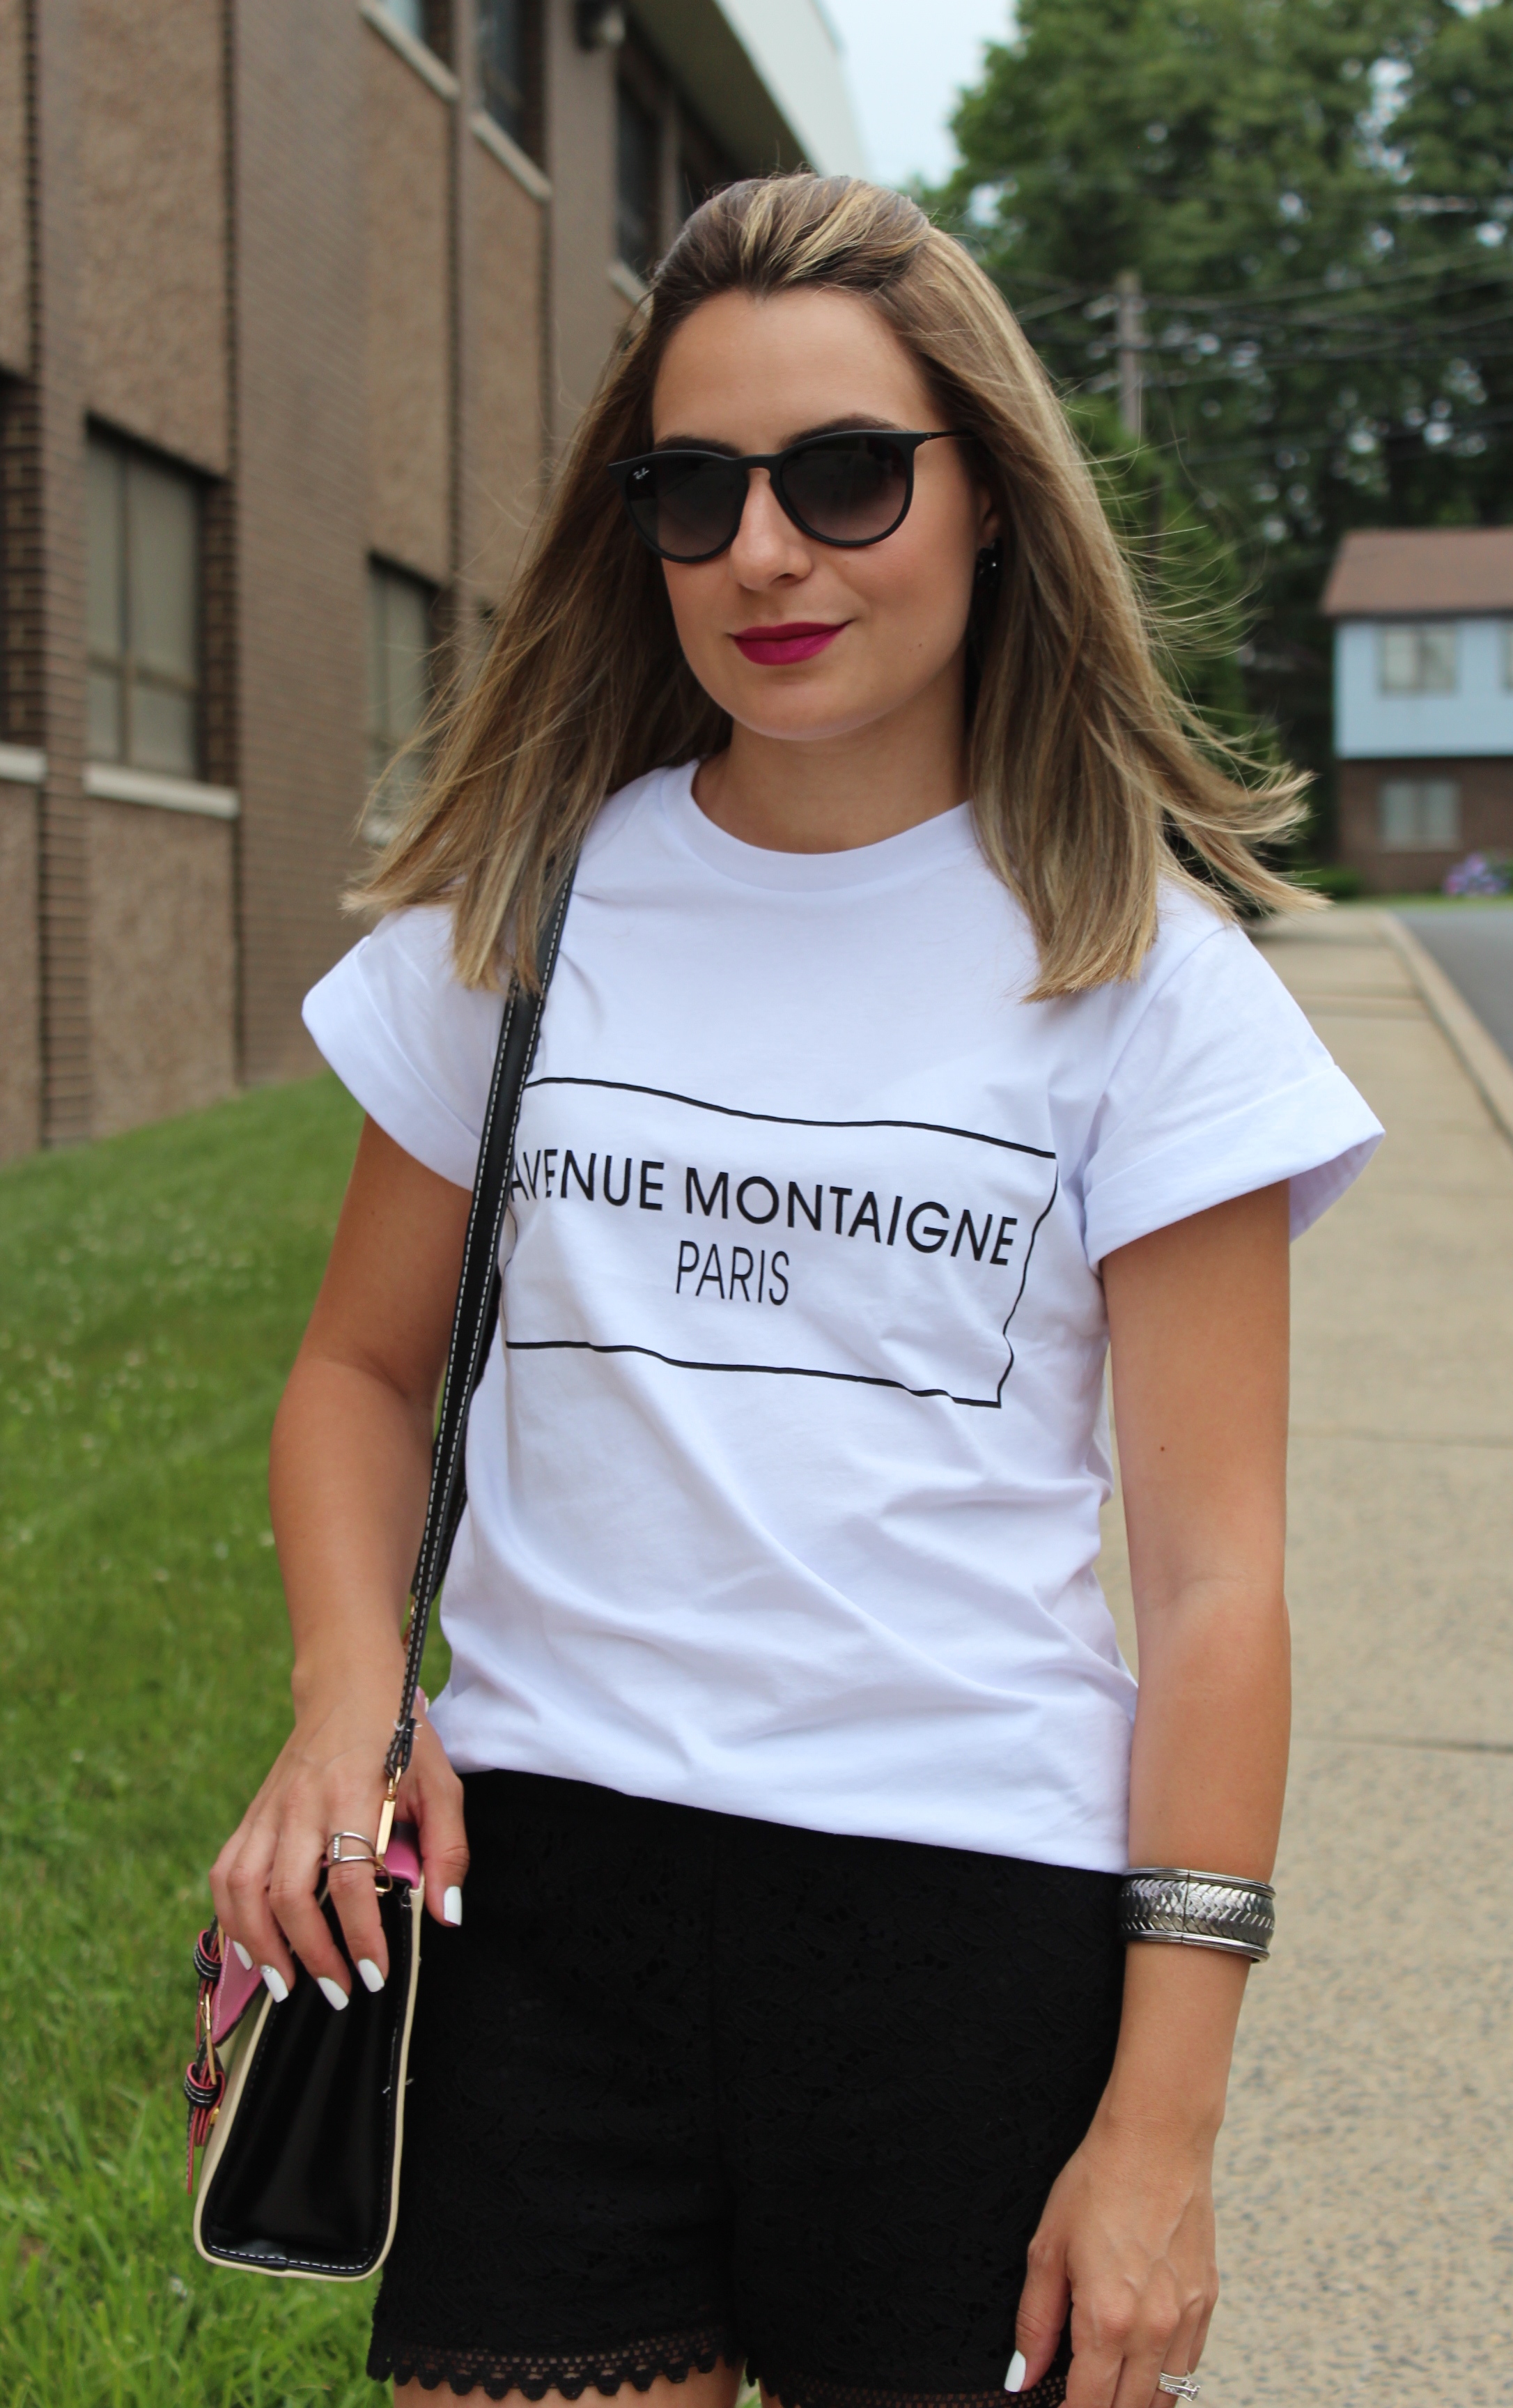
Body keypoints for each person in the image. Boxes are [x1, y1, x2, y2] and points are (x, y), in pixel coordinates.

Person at [210, 174, 1381, 2408]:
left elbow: (1218, 1585)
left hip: (963, 1925)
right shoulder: (520, 915)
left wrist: (1165, 2127)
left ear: (991, 498)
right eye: (697, 489)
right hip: (539, 1907)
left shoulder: (1147, 978)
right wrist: (349, 1699)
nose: (766, 552)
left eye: (846, 476)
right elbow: (358, 1371)